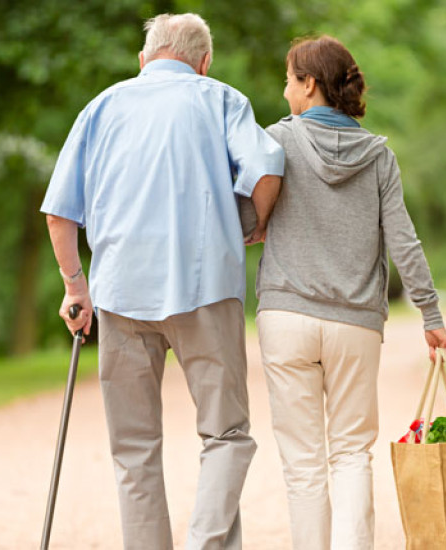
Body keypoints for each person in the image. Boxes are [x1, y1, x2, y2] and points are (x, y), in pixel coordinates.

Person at [40, 13, 283, 550]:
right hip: (206, 290)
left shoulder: (101, 107)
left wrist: (75, 286)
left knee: (133, 447)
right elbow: (268, 168)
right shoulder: (221, 99)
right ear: (204, 60)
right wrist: (256, 222)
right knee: (225, 435)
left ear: (144, 59)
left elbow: (60, 214)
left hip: (121, 293)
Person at [253, 35, 446, 550]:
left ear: (309, 84)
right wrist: (430, 315)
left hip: (287, 315)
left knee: (303, 464)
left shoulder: (276, 141)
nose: (284, 91)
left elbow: (246, 216)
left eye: (289, 80)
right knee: (350, 454)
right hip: (355, 325)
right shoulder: (378, 156)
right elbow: (403, 241)